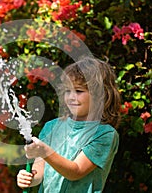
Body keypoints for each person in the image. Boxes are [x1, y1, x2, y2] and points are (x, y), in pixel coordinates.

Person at [17, 57, 121, 192]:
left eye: (78, 91)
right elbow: (39, 171)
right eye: (67, 91)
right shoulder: (51, 127)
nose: (71, 97)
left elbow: (76, 171)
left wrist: (45, 150)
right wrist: (29, 178)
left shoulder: (105, 134)